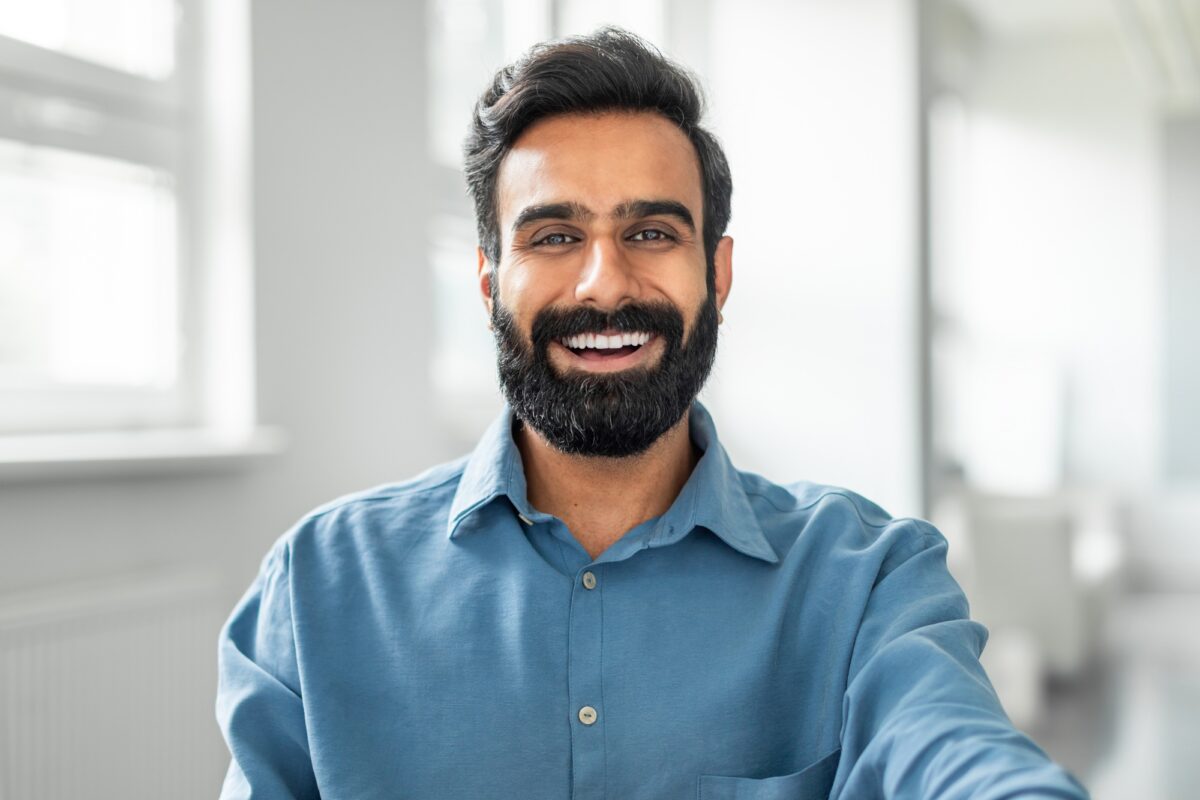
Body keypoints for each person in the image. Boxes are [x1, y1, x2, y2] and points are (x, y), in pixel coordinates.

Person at [216, 27, 1089, 800]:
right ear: (489, 284)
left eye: (652, 233)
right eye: (554, 236)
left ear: (719, 275)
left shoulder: (867, 580)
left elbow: (955, 755)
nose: (604, 282)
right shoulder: (320, 585)